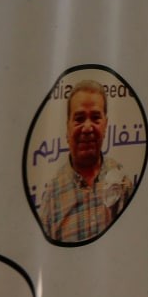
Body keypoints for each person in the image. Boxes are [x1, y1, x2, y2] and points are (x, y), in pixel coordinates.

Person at [37, 80, 134, 243]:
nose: (88, 127)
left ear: (105, 125)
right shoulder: (52, 198)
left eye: (95, 118)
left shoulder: (121, 181)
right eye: (79, 118)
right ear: (67, 127)